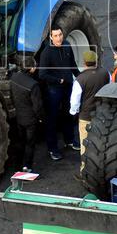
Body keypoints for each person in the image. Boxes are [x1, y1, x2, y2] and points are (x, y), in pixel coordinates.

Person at [37, 27, 79, 161]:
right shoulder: (47, 52)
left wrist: (81, 77)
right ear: (51, 37)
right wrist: (58, 80)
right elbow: (42, 74)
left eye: (60, 35)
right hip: (54, 90)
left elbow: (72, 64)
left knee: (69, 113)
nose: (59, 38)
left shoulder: (67, 45)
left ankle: (70, 140)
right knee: (52, 119)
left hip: (68, 86)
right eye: (55, 36)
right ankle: (52, 149)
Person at [70, 50, 109, 169]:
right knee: (101, 142)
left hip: (86, 116)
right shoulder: (105, 73)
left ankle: (85, 169)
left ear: (85, 62)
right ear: (96, 61)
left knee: (85, 144)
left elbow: (75, 100)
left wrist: (73, 111)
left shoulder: (80, 79)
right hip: (102, 113)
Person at [10, 65, 44, 172]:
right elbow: (37, 106)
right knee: (30, 143)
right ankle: (27, 166)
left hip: (19, 116)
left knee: (20, 141)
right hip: (30, 119)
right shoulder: (33, 85)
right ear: (32, 69)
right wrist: (41, 118)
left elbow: (11, 95)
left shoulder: (14, 77)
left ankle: (17, 166)